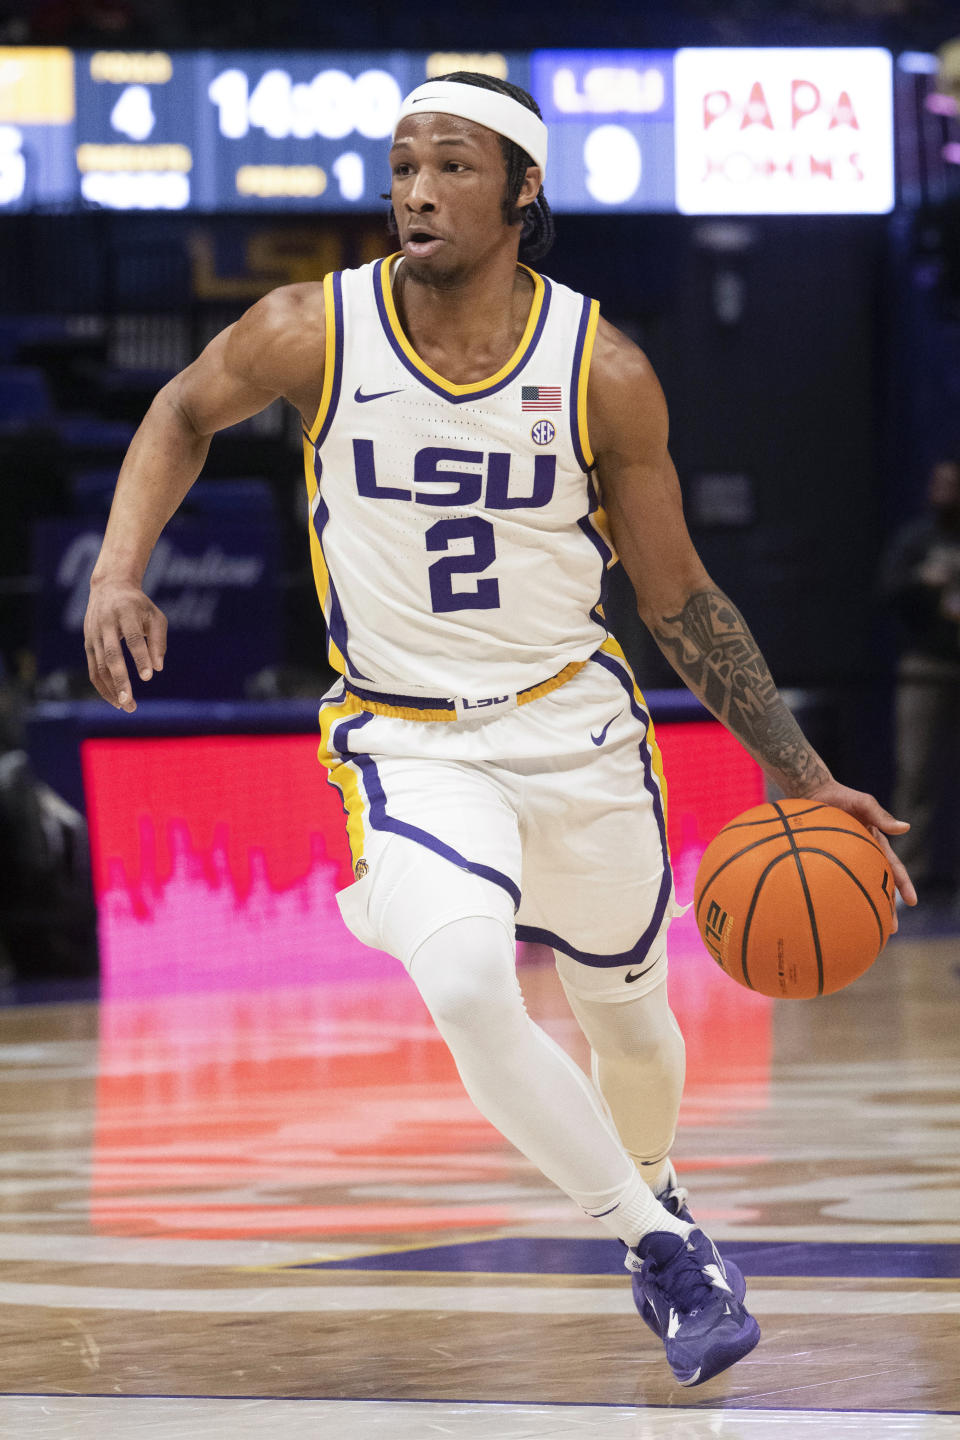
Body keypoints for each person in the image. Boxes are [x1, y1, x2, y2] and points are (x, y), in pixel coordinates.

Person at [83, 73, 916, 1387]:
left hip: (577, 731)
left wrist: (805, 778)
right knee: (469, 982)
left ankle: (654, 1194)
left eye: (454, 165)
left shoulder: (603, 368)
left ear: (525, 192)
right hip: (405, 738)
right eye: (404, 163)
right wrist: (120, 568)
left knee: (630, 1026)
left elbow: (678, 598)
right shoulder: (313, 329)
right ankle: (661, 1246)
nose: (417, 187)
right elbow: (183, 411)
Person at [882, 458, 960, 904]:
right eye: (938, 481)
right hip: (925, 667)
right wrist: (922, 582)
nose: (943, 489)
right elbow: (887, 594)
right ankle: (906, 878)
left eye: (952, 482)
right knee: (916, 777)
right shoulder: (916, 538)